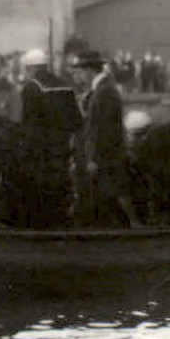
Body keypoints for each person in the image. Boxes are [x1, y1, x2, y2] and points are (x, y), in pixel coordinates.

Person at [72, 50, 138, 228]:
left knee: (112, 196)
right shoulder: (101, 90)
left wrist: (94, 158)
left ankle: (130, 229)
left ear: (89, 71)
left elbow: (103, 129)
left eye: (80, 71)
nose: (78, 76)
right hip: (106, 156)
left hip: (107, 158)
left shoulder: (105, 91)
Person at [18, 48, 81, 228]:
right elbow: (76, 118)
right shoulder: (65, 84)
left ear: (30, 68)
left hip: (42, 148)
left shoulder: (32, 87)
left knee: (41, 186)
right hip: (64, 143)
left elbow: (29, 123)